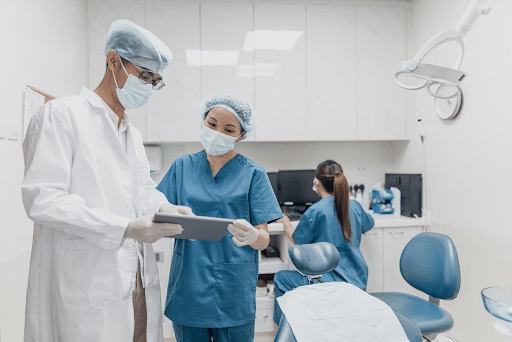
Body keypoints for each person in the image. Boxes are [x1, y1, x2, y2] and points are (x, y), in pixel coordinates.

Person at [21, 20, 193, 342]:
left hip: (135, 280)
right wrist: (124, 228)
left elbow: (141, 189)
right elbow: (43, 199)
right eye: (144, 76)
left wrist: (166, 207)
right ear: (113, 61)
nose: (148, 86)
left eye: (154, 81)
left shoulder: (130, 131)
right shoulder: (61, 116)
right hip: (86, 282)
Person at [157, 92, 282, 342]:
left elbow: (264, 240)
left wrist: (254, 236)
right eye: (212, 124)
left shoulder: (254, 174)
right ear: (202, 120)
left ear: (241, 135)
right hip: (188, 286)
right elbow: (156, 212)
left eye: (228, 129)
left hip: (232, 292)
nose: (217, 133)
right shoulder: (181, 167)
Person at [273, 160, 375, 324]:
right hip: (357, 280)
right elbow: (368, 223)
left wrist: (285, 221)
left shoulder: (316, 211)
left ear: (316, 182)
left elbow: (297, 239)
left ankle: (284, 332)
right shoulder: (354, 206)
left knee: (280, 278)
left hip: (329, 282)